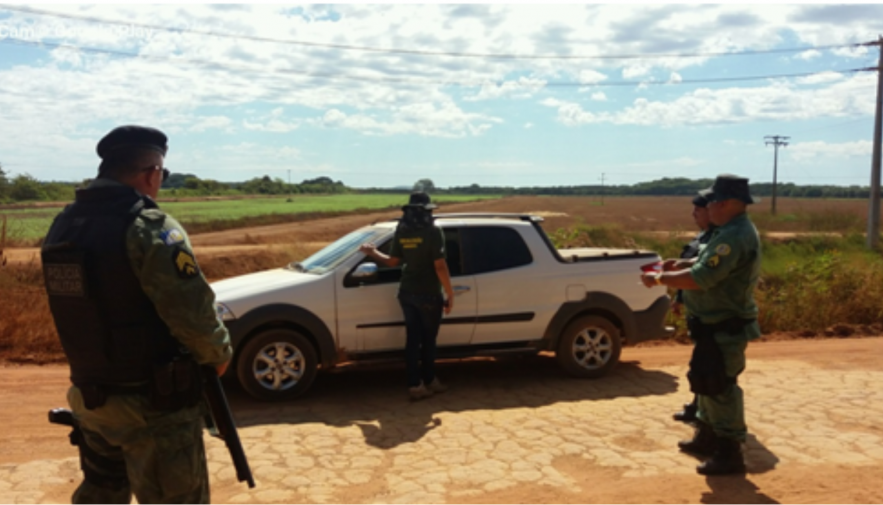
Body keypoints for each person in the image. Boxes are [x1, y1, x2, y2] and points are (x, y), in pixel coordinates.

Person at [41, 125, 233, 504]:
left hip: (91, 398)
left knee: (101, 494)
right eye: (161, 174)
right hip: (153, 407)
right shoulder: (149, 226)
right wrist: (219, 355)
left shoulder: (65, 223)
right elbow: (192, 313)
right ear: (151, 172)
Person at [640, 174, 761, 475]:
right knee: (706, 383)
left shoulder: (733, 236)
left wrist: (658, 279)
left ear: (731, 204)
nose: (709, 206)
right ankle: (708, 437)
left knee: (721, 388)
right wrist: (676, 265)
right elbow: (702, 265)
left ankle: (729, 452)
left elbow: (701, 278)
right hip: (712, 324)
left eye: (714, 201)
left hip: (725, 324)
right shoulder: (726, 231)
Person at [359, 192, 455, 401]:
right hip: (428, 294)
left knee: (413, 340)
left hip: (407, 293)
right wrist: (450, 292)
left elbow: (393, 261)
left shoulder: (401, 231)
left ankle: (415, 385)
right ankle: (429, 380)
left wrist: (372, 252)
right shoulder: (433, 232)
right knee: (429, 341)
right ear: (428, 211)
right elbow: (440, 265)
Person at [663, 194, 715, 424]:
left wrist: (658, 279)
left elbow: (698, 275)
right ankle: (698, 406)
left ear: (710, 211)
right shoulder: (703, 237)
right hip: (698, 310)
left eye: (698, 210)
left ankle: (707, 415)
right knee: (699, 363)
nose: (693, 214)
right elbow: (687, 274)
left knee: (708, 366)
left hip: (713, 312)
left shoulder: (718, 239)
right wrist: (679, 298)